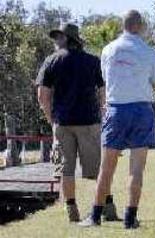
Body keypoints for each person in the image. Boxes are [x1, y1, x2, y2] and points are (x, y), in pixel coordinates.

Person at [79, 10, 155, 229]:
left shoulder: (108, 50)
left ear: (123, 25)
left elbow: (107, 80)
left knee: (106, 167)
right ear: (140, 26)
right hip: (142, 110)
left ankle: (95, 216)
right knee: (136, 169)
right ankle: (130, 218)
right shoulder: (150, 52)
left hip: (116, 110)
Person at [36, 23, 104, 222]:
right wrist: (101, 112)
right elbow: (102, 91)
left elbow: (42, 96)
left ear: (66, 39)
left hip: (63, 123)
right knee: (98, 168)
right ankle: (106, 206)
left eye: (58, 37)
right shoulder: (92, 61)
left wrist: (51, 119)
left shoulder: (51, 61)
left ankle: (71, 210)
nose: (56, 41)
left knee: (66, 169)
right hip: (89, 122)